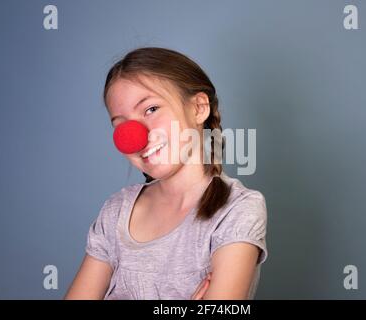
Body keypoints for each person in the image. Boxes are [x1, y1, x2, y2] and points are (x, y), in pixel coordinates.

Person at [65, 47, 268, 300]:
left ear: (198, 108)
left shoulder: (237, 209)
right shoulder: (116, 211)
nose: (135, 135)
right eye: (122, 125)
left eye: (150, 109)